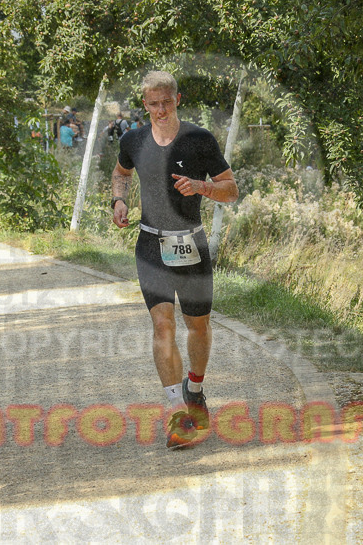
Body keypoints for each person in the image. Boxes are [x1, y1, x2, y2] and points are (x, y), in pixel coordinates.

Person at [111, 71, 238, 449]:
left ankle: (194, 389)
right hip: (151, 245)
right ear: (145, 104)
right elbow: (120, 173)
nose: (161, 109)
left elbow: (231, 190)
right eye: (153, 104)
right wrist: (118, 200)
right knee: (162, 325)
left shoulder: (199, 139)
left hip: (191, 243)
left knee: (197, 326)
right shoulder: (133, 140)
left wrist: (201, 186)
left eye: (167, 102)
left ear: (177, 99)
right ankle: (177, 414)